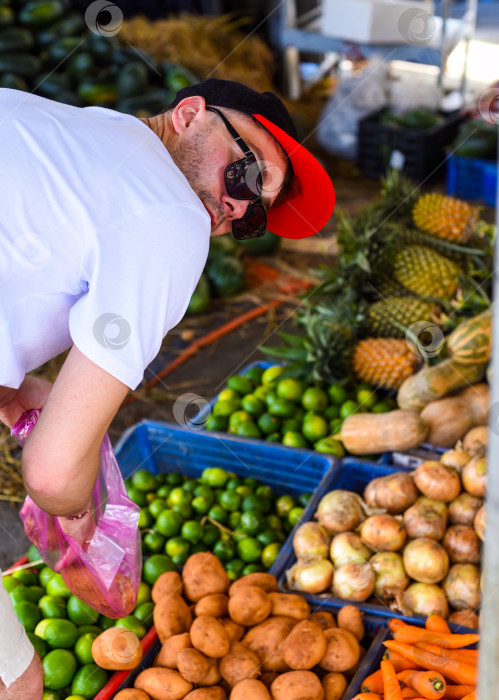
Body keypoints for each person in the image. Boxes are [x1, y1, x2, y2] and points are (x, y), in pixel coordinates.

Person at [0, 77, 334, 696]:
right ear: (189, 113)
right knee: (17, 682)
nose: (239, 209)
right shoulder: (170, 216)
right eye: (245, 173)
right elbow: (50, 475)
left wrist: (13, 391)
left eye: (255, 216)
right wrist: (81, 519)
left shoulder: (60, 130)